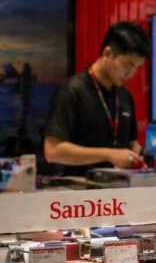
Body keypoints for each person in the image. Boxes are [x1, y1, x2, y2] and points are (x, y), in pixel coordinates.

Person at [44, 21, 150, 176]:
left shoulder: (125, 96)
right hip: (77, 187)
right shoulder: (72, 91)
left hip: (120, 187)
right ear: (107, 54)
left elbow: (131, 144)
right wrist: (108, 154)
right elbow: (53, 151)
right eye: (127, 66)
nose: (131, 74)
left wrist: (148, 154)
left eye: (136, 68)